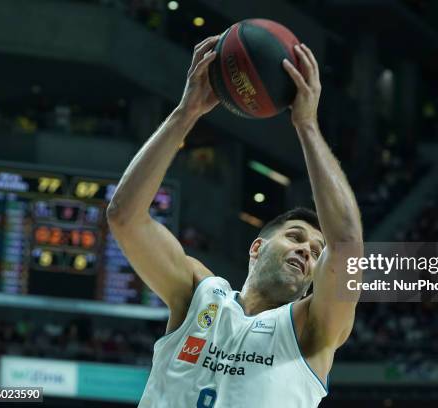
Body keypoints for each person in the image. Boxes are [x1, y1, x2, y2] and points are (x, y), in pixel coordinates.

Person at [107, 34, 363, 407]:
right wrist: (186, 113)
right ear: (257, 247)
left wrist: (306, 125)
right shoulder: (200, 294)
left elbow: (347, 247)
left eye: (315, 251)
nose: (307, 251)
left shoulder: (312, 329)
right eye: (295, 237)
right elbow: (124, 217)